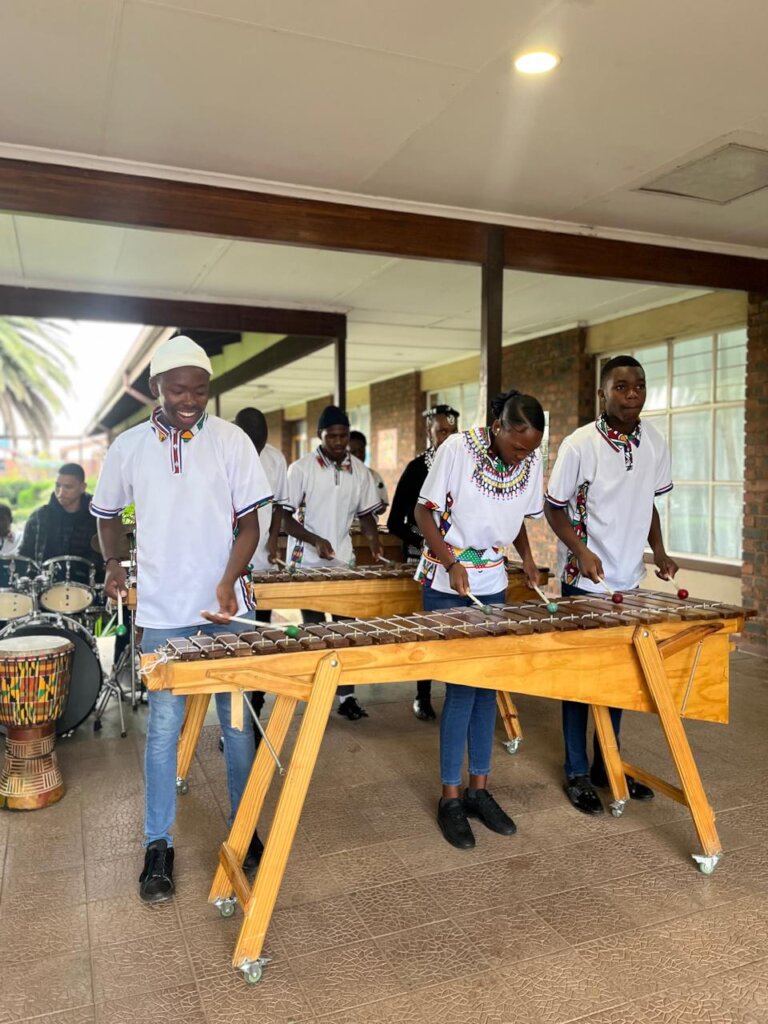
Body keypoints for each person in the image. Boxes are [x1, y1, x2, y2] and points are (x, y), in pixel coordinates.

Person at [92, 335, 273, 904]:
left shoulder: (231, 441)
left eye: (200, 389)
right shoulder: (128, 448)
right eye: (178, 389)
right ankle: (158, 846)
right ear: (157, 390)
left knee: (237, 727)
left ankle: (245, 832)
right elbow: (107, 515)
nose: (190, 398)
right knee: (164, 731)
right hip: (165, 611)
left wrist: (226, 580)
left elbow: (251, 526)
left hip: (228, 611)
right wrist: (115, 563)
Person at [544, 354, 678, 816]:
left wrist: (658, 550)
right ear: (602, 393)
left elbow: (650, 505)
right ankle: (577, 771)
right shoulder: (580, 444)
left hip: (630, 581)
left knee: (620, 679)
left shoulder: (655, 443)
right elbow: (554, 508)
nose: (632, 394)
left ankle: (608, 764)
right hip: (584, 581)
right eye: (621, 387)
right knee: (582, 681)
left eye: (639, 386)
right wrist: (581, 553)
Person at [414, 390, 544, 849]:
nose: (522, 456)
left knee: (488, 686)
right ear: (497, 427)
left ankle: (479, 791)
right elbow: (423, 511)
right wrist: (450, 562)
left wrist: (526, 558)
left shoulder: (530, 460)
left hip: (493, 582)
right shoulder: (456, 450)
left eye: (531, 448)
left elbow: (520, 518)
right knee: (461, 689)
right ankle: (450, 797)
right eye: (517, 446)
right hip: (448, 583)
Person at [283, 405, 383, 720]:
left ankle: (347, 696)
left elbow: (366, 514)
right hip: (307, 562)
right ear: (320, 436)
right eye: (332, 437)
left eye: (344, 436)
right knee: (315, 630)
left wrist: (374, 540)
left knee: (347, 628)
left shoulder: (361, 472)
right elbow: (285, 519)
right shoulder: (300, 469)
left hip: (342, 559)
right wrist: (315, 539)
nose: (339, 443)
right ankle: (318, 693)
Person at [387, 405, 460, 720]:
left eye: (451, 431)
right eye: (440, 431)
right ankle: (422, 695)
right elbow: (394, 523)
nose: (446, 437)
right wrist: (427, 541)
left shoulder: (465, 467)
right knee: (427, 629)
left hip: (459, 559)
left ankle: (460, 691)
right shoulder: (417, 468)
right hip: (423, 560)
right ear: (430, 433)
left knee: (459, 628)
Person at [234, 406, 288, 728]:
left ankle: (254, 711)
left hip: (262, 567)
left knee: (260, 637)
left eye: (260, 444)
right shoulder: (221, 453)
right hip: (229, 566)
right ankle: (236, 718)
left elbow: (280, 505)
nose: (255, 450)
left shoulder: (275, 460)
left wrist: (273, 538)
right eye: (250, 443)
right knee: (237, 640)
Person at [19, 463, 104, 578]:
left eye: (68, 487)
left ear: (82, 487)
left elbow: (105, 557)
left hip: (87, 586)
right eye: (58, 486)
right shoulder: (39, 517)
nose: (61, 492)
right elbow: (24, 555)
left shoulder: (96, 518)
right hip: (44, 585)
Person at [348, 430, 389, 513]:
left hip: (367, 524)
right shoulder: (337, 476)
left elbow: (382, 508)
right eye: (353, 452)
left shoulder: (374, 476)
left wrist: (377, 505)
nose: (358, 455)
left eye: (361, 451)